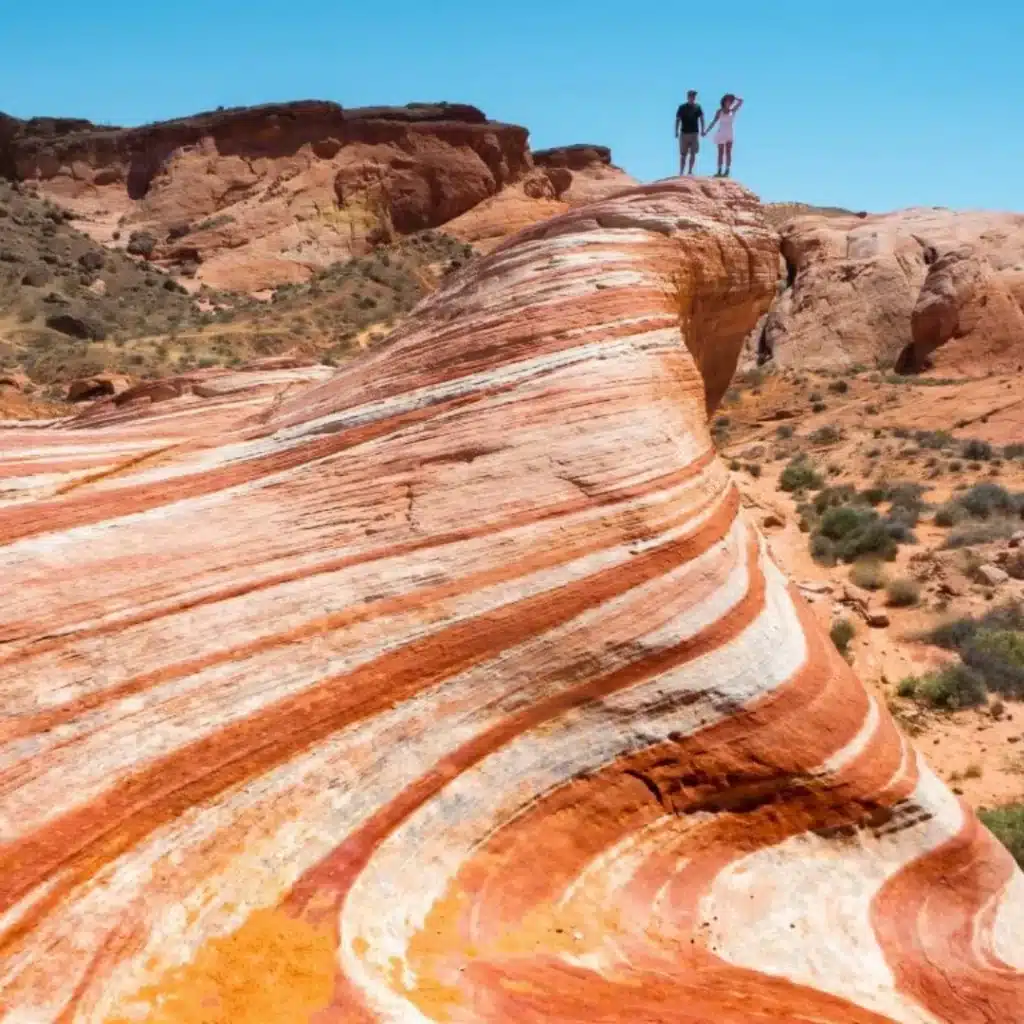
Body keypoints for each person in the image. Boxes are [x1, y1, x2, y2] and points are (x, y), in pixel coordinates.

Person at [704, 94, 743, 177]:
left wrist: (733, 97)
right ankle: (719, 170)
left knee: (728, 152)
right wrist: (706, 131)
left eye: (730, 101)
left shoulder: (733, 111)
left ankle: (727, 170)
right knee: (720, 153)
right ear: (724, 102)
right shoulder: (719, 111)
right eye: (727, 101)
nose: (729, 103)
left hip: (729, 132)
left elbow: (741, 101)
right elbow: (714, 122)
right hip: (721, 132)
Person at [674, 90, 705, 175]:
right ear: (688, 97)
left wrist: (703, 129)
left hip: (694, 133)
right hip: (684, 133)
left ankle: (690, 171)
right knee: (683, 154)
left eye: (694, 96)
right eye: (691, 96)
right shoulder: (682, 107)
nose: (692, 98)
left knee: (693, 153)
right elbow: (678, 120)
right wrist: (676, 131)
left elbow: (702, 118)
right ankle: (681, 171)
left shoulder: (697, 107)